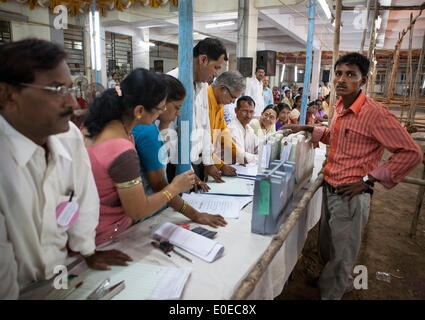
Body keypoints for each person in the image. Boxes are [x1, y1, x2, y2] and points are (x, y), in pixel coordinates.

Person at [284, 52, 422, 300]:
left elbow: (411, 152)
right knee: (330, 248)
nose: (341, 79)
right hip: (331, 187)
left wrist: (369, 180)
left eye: (350, 75)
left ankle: (332, 293)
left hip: (350, 195)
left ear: (363, 80)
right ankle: (336, 281)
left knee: (342, 256)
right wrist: (308, 128)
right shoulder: (340, 106)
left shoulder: (374, 114)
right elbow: (337, 137)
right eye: (338, 73)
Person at [0, 39, 131, 299]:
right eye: (57, 89)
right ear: (8, 95)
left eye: (70, 89)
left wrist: (88, 249)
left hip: (58, 275)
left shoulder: (69, 136)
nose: (73, 103)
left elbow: (84, 197)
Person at [83, 68, 197, 245]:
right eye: (159, 109)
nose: (160, 114)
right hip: (108, 235)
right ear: (139, 111)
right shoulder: (122, 150)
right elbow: (137, 210)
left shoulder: (98, 125)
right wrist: (175, 187)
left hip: (91, 227)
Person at [132, 74, 227, 228]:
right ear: (162, 102)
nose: (178, 114)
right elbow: (161, 187)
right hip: (145, 215)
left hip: (153, 208)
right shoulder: (146, 130)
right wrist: (196, 215)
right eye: (176, 107)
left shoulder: (152, 128)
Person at [168, 38, 228, 183]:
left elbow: (205, 126)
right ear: (203, 60)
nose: (216, 74)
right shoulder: (172, 82)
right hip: (176, 166)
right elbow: (169, 133)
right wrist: (186, 169)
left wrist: (208, 162)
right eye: (216, 67)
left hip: (196, 163)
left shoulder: (203, 87)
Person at [208, 71, 245, 175]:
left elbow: (224, 133)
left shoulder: (219, 103)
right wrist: (221, 166)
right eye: (233, 97)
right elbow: (202, 144)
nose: (233, 102)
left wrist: (237, 155)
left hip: (208, 158)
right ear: (222, 89)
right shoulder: (204, 102)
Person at [228, 96, 258, 164]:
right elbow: (241, 157)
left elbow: (258, 147)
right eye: (245, 111)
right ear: (236, 110)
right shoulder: (232, 129)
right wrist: (260, 158)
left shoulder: (249, 129)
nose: (249, 116)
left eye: (251, 112)